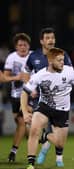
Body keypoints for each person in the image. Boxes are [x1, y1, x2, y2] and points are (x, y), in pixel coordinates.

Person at [21, 47, 74, 169]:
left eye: (63, 59)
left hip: (62, 111)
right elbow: (25, 92)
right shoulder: (40, 75)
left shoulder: (69, 71)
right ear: (50, 61)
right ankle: (31, 164)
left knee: (60, 144)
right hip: (45, 107)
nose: (62, 62)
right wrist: (24, 112)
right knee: (34, 129)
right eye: (59, 60)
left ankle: (46, 136)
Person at [23, 27, 73, 167]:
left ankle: (58, 158)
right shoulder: (33, 57)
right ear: (41, 41)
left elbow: (70, 74)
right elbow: (26, 74)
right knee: (32, 129)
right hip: (40, 99)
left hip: (59, 99)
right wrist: (29, 88)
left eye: (52, 37)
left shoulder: (62, 55)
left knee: (58, 132)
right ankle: (42, 147)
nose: (51, 40)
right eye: (47, 38)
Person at [3, 33, 31, 162]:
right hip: (15, 95)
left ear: (28, 46)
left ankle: (13, 152)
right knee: (21, 124)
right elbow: (3, 77)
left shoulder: (34, 56)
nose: (22, 47)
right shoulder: (11, 57)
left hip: (30, 95)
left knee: (21, 121)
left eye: (25, 45)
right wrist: (17, 77)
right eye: (20, 45)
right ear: (16, 47)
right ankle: (41, 140)